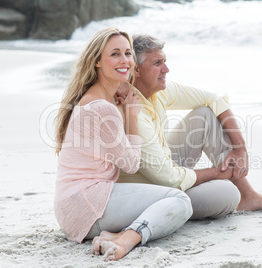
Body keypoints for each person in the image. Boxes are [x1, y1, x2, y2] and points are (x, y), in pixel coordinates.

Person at [117, 34, 262, 220]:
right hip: (153, 191)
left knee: (205, 114)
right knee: (228, 194)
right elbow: (168, 178)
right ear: (136, 70)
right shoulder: (130, 108)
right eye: (158, 63)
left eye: (165, 61)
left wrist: (240, 148)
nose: (166, 69)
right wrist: (218, 172)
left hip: (165, 169)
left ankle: (249, 196)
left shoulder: (158, 91)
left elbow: (214, 98)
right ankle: (226, 198)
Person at [53, 27, 193, 262]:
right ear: (97, 61)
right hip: (88, 206)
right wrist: (132, 115)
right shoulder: (102, 108)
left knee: (172, 199)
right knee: (180, 200)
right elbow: (130, 163)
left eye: (128, 53)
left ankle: (114, 234)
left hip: (76, 207)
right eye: (115, 54)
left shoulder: (91, 98)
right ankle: (125, 241)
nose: (125, 60)